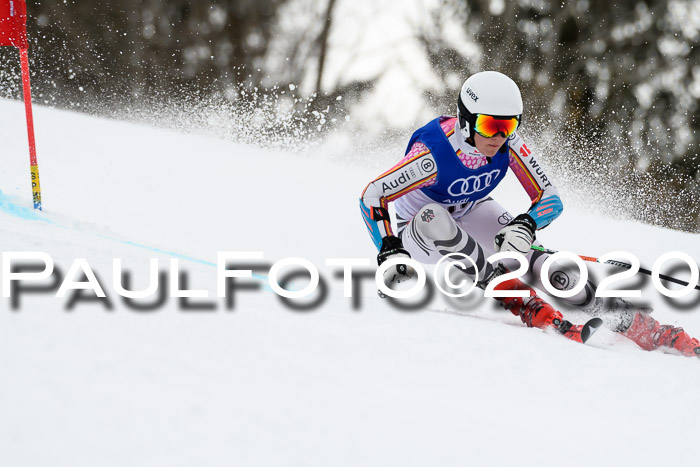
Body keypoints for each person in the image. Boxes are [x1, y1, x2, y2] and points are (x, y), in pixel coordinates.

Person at [359, 70, 700, 356]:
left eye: (508, 126)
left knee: (543, 264)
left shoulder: (510, 144)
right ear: (466, 122)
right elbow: (372, 195)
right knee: (433, 215)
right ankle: (523, 302)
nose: (500, 137)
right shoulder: (433, 155)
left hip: (471, 210)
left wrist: (526, 224)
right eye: (491, 126)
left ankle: (639, 326)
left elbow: (550, 196)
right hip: (422, 233)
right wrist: (389, 248)